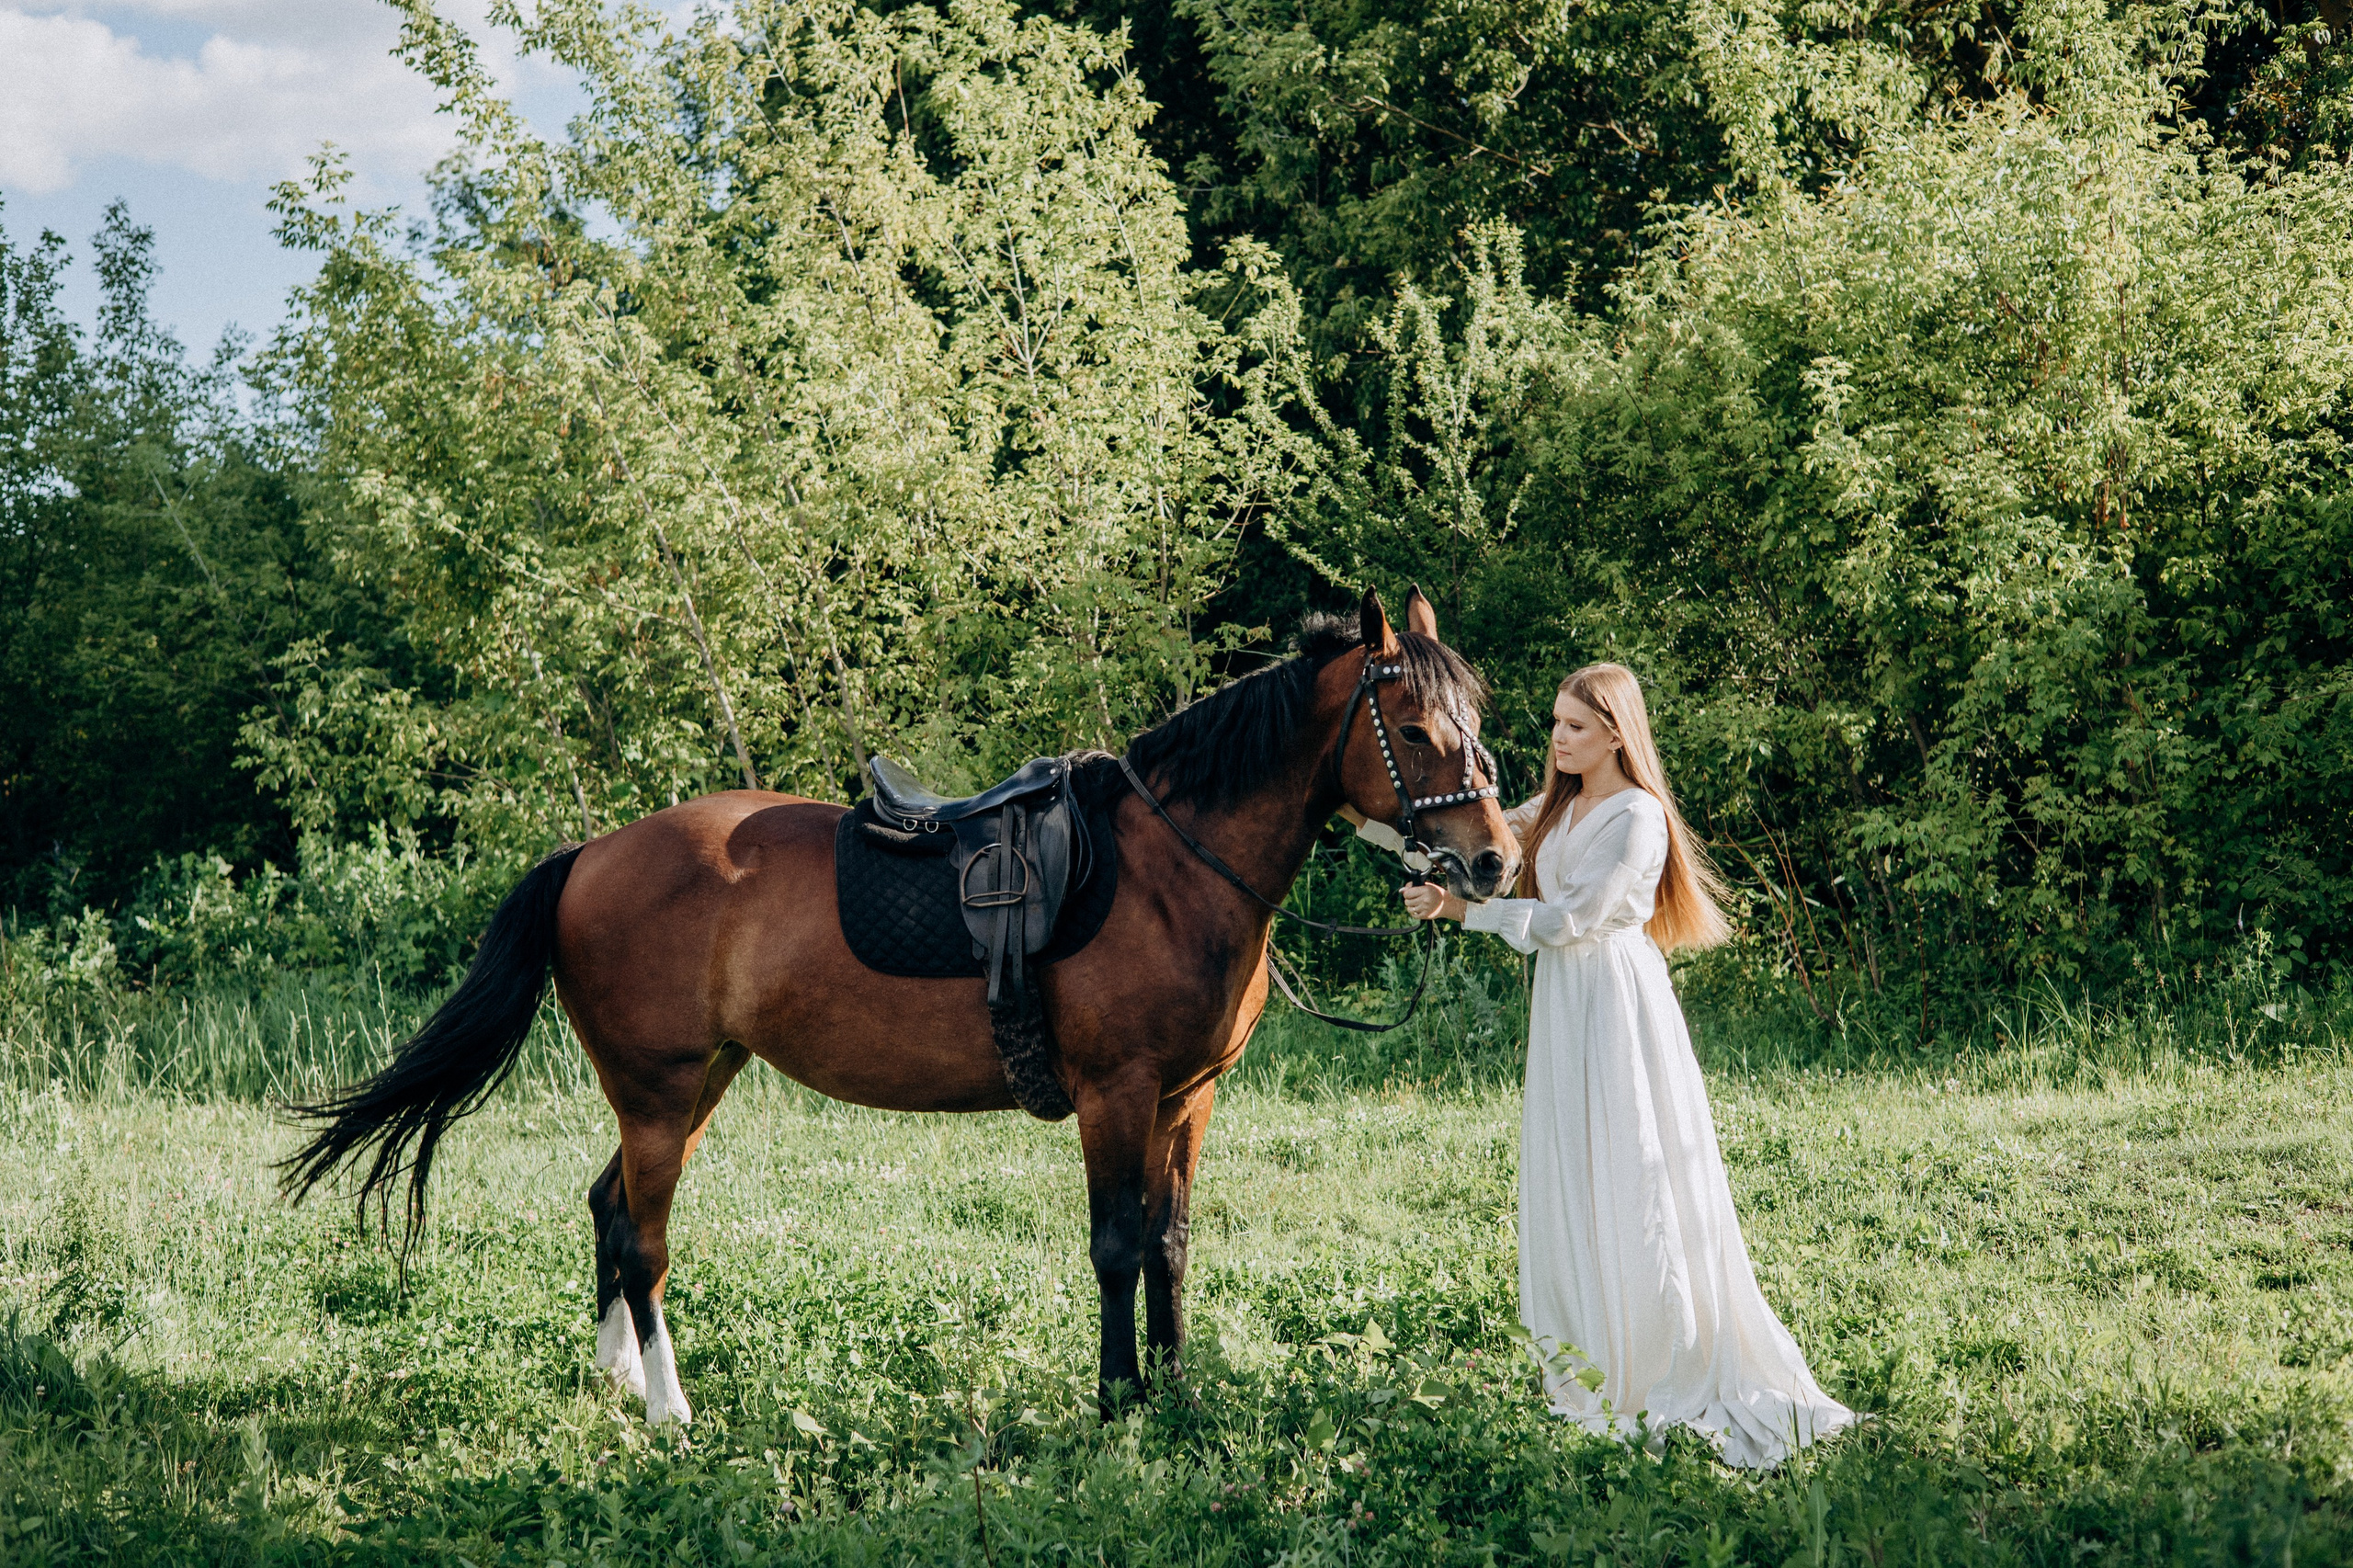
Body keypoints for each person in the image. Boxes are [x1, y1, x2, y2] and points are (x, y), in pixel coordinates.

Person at [1403, 662, 1855, 1469]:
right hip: (1564, 1002)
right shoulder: (1561, 805)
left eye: (1574, 726)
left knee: (1632, 1159)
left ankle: (1658, 1349)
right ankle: (1592, 1348)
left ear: (1616, 732)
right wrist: (1415, 847)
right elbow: (1491, 834)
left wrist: (1464, 913)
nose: (1558, 738)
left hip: (1613, 996)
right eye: (1554, 724)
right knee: (1576, 1162)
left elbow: (1577, 918)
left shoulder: (1638, 816)